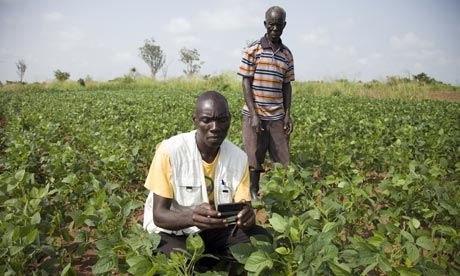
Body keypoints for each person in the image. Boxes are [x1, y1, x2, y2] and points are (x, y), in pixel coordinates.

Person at [143, 91, 270, 266]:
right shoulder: (170, 151)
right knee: (185, 262)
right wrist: (192, 218)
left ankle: (211, 261)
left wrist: (248, 218)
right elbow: (159, 215)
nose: (215, 127)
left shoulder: (238, 158)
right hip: (171, 231)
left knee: (262, 240)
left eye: (222, 120)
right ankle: (210, 262)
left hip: (213, 230)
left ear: (229, 120)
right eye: (206, 120)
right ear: (194, 120)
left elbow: (243, 206)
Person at [238, 6, 295, 200]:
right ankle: (253, 192)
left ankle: (282, 194)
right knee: (253, 155)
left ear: (284, 26)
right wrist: (254, 114)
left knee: (282, 157)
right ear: (265, 24)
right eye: (271, 25)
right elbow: (246, 82)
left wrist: (287, 114)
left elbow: (287, 86)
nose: (274, 29)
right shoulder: (253, 49)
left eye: (278, 25)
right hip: (254, 114)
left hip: (277, 116)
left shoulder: (287, 55)